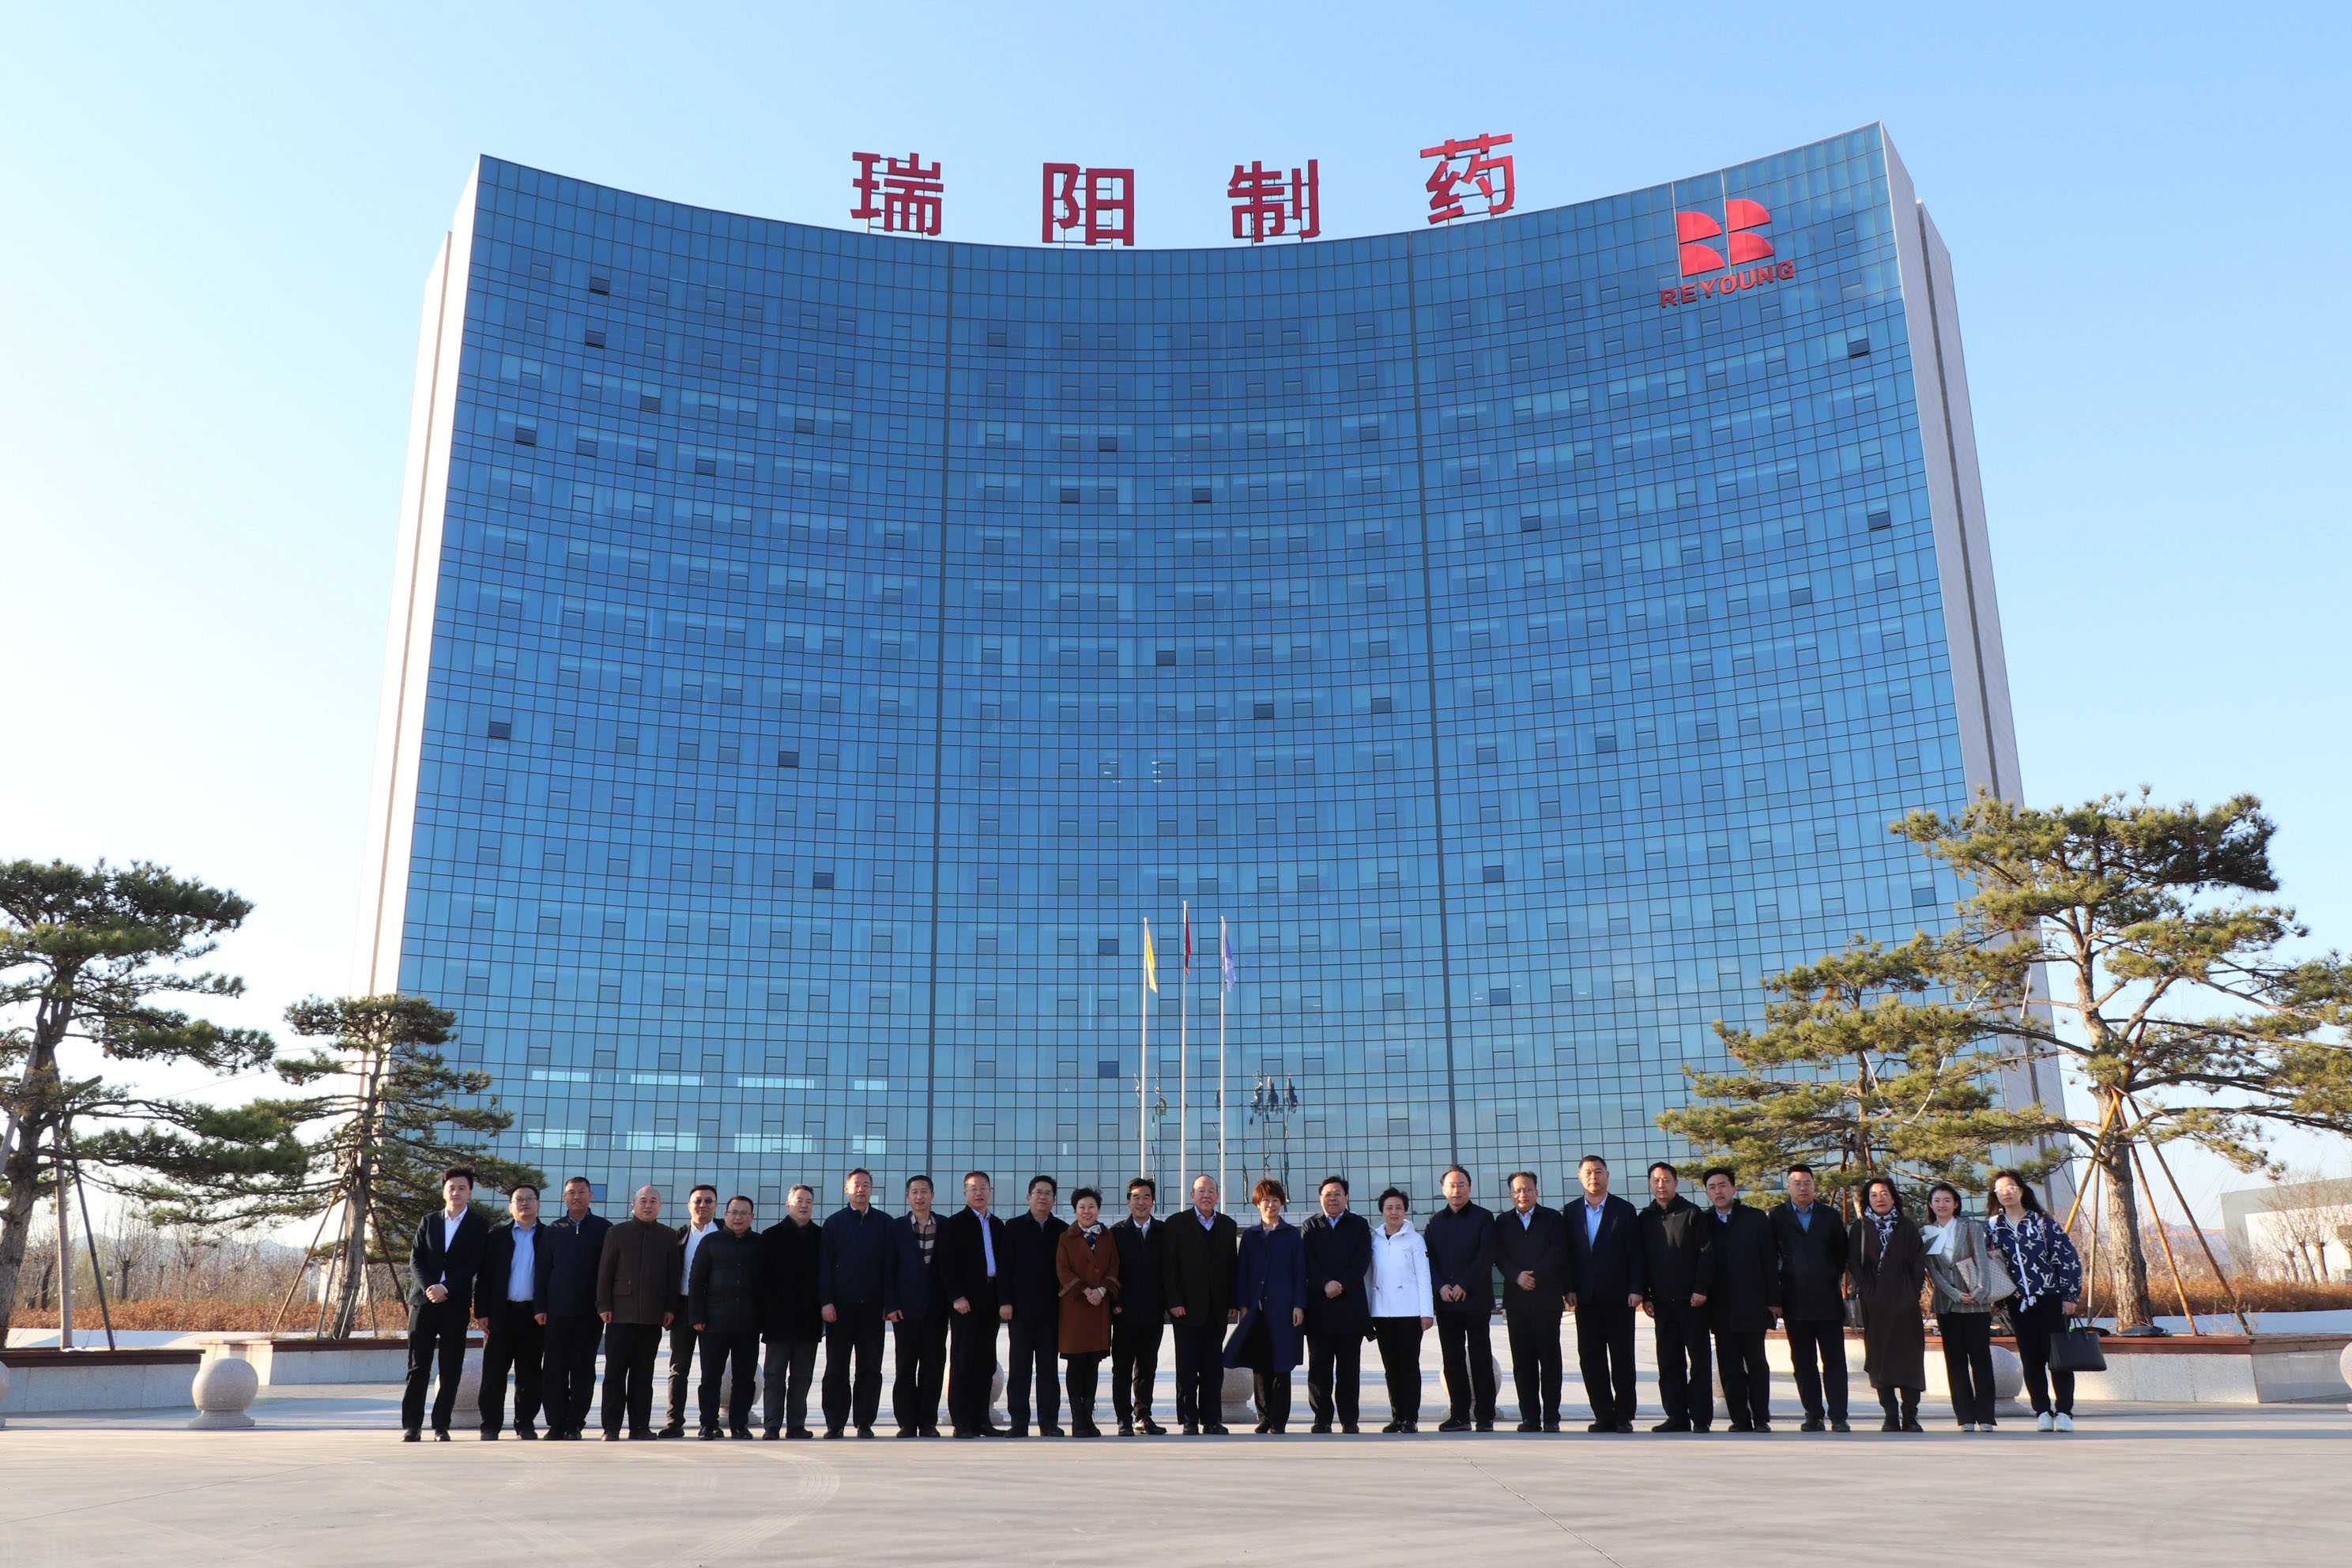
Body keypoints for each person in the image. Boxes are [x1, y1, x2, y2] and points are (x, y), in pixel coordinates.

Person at [1985, 1169, 2083, 1434]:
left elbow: (2067, 1257)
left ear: (2021, 1190)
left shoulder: (2041, 1221)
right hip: (2018, 1303)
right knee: (2031, 1358)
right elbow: (1992, 1265)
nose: (2006, 1193)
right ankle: (2041, 1410)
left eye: (2011, 1187)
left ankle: (2064, 1411)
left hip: (2050, 1298)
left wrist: (2070, 1295)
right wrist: (1995, 1300)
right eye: (2000, 1189)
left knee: (2057, 1357)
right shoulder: (1993, 1227)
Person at [402, 1166, 489, 1442]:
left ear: (470, 1193)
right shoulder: (429, 1221)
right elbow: (415, 1259)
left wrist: (447, 1287)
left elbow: (474, 1263)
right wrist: (431, 1287)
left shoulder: (478, 1225)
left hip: (455, 1304)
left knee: (450, 1367)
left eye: (462, 1188)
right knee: (418, 1366)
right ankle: (412, 1426)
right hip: (424, 1302)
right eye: (451, 1188)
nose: (456, 1192)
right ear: (444, 1192)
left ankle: (441, 1425)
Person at [1565, 1155, 1645, 1433]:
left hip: (1620, 1297)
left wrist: (1637, 1288)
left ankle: (1624, 1416)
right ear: (1580, 1178)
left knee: (1622, 1358)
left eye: (1598, 1172)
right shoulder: (1570, 1212)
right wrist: (1568, 1288)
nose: (1593, 1177)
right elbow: (1568, 1255)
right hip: (1585, 1298)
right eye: (1588, 1172)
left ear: (1607, 1176)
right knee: (1591, 1358)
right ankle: (1603, 1414)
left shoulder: (1624, 1210)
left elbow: (1635, 1252)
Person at [1770, 1163, 1852, 1431]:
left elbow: (1842, 1253)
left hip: (1827, 1300)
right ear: (1788, 1186)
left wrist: (1828, 1273)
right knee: (1803, 1363)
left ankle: (1839, 1416)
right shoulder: (1777, 1216)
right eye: (1797, 1183)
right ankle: (1813, 1415)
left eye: (1807, 1182)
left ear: (1814, 1186)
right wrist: (1775, 1297)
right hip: (1794, 1301)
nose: (1802, 1187)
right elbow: (1771, 1257)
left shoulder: (1830, 1215)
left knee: (1834, 1362)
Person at [597, 1185, 681, 1440]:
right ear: (633, 1205)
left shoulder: (668, 1236)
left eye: (653, 1201)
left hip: (652, 1316)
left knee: (643, 1375)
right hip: (619, 1314)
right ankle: (611, 1427)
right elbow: (605, 1272)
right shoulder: (617, 1232)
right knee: (614, 1373)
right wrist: (604, 1305)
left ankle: (640, 1427)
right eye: (643, 1200)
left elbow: (673, 1276)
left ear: (660, 1206)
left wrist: (670, 1308)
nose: (648, 1205)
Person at [1227, 1178, 1308, 1434]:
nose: (1270, 1205)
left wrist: (1299, 1305)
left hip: (1284, 1309)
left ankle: (1279, 1419)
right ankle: (1264, 1417)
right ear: (1257, 1204)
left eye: (1275, 1200)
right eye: (1265, 1201)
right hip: (1256, 1310)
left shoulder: (1292, 1234)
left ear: (1281, 1204)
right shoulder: (1250, 1236)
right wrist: (1243, 1306)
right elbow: (1242, 1272)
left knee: (1282, 1364)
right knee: (1260, 1365)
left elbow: (1300, 1272)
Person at [1698, 1167, 1777, 1433]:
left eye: (1723, 1185)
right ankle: (1739, 1419)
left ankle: (1761, 1417)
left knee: (1756, 1363)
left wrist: (1773, 1301)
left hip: (1753, 1303)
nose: (1718, 1191)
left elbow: (1769, 1261)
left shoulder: (1755, 1219)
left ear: (1733, 1188)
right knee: (1729, 1366)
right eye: (1712, 1187)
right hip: (1720, 1307)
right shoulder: (1704, 1222)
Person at [1638, 1162, 1713, 1433]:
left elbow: (1706, 1253)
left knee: (1699, 1361)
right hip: (1661, 1303)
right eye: (1656, 1180)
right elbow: (1640, 1260)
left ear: (1676, 1183)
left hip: (1692, 1301)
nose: (1661, 1185)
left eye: (1666, 1180)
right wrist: (1646, 1295)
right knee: (1669, 1362)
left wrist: (1701, 1288)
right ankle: (1676, 1416)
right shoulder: (1645, 1218)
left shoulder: (1691, 1213)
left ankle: (1701, 1418)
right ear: (1650, 1184)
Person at [817, 1167, 892, 1438]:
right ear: (847, 1190)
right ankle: (835, 1423)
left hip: (873, 1309)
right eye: (856, 1185)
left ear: (872, 1190)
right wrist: (826, 1301)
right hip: (840, 1309)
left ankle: (864, 1421)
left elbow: (890, 1267)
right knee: (836, 1368)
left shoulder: (885, 1223)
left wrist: (889, 1303)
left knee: (870, 1368)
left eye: (866, 1185)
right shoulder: (834, 1223)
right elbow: (824, 1266)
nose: (861, 1189)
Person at [1849, 1176, 1928, 1432]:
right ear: (1867, 1200)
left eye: (1884, 1193)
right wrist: (1867, 1289)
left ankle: (1910, 1415)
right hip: (1876, 1305)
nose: (1879, 1198)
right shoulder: (1860, 1228)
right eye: (1874, 1195)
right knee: (1880, 1360)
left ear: (1893, 1197)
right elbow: (1854, 1262)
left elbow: (1918, 1263)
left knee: (1909, 1360)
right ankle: (1890, 1414)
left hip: (1905, 1305)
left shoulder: (1907, 1227)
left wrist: (1911, 1292)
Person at [1423, 1165, 1498, 1432]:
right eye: (1451, 1186)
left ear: (1470, 1188)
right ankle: (1459, 1416)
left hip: (1476, 1300)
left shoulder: (1484, 1218)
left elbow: (1485, 1256)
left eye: (1461, 1185)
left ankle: (1485, 1416)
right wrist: (1441, 1286)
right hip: (1447, 1302)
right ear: (1444, 1190)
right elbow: (1429, 1259)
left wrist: (1464, 1284)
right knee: (1452, 1360)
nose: (1456, 1190)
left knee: (1480, 1358)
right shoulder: (1435, 1222)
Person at [1922, 1182, 2001, 1431]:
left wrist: (1980, 1291)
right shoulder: (1926, 1232)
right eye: (1937, 1201)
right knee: (1955, 1361)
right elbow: (1932, 1270)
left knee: (1981, 1359)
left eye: (1947, 1200)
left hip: (1977, 1303)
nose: (1942, 1205)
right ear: (1931, 1205)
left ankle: (1986, 1416)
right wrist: (1955, 1294)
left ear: (1956, 1204)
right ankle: (1965, 1416)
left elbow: (1982, 1260)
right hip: (1947, 1304)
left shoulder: (1971, 1227)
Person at [1493, 1170, 1568, 1432]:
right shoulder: (1502, 1222)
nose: (1522, 1194)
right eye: (1517, 1190)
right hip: (1517, 1302)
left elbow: (1559, 1251)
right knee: (1523, 1363)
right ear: (1510, 1194)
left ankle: (1552, 1417)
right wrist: (1517, 1276)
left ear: (1537, 1191)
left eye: (1527, 1189)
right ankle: (1530, 1418)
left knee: (1550, 1361)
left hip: (1547, 1299)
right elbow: (1498, 1256)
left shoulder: (1553, 1219)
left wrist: (1534, 1276)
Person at [472, 1181, 548, 1440]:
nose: (524, 1203)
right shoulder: (496, 1238)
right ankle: (490, 1425)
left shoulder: (549, 1236)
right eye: (519, 1200)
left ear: (538, 1204)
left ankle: (525, 1424)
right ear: (510, 1207)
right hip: (500, 1314)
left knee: (529, 1373)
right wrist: (481, 1312)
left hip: (534, 1315)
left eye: (529, 1199)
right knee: (494, 1373)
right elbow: (484, 1278)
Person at [1165, 1174, 1240, 1434]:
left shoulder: (1228, 1225)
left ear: (1218, 1196)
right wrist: (1174, 1301)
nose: (1206, 1195)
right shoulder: (1176, 1223)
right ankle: (1189, 1420)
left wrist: (1232, 1301)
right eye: (1201, 1191)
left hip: (1217, 1310)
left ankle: (1212, 1419)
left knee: (1212, 1369)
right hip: (1185, 1310)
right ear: (1192, 1195)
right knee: (1187, 1369)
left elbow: (1232, 1267)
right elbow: (1169, 1267)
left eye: (1211, 1191)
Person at [539, 1176, 611, 1441]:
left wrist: (605, 1305)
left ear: (590, 1195)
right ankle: (556, 1423)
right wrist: (540, 1307)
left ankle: (575, 1424)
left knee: (583, 1370)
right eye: (571, 1193)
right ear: (564, 1198)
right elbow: (542, 1272)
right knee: (554, 1370)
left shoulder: (604, 1229)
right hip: (556, 1312)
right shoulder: (553, 1230)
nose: (576, 1197)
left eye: (581, 1192)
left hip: (590, 1313)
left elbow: (609, 1272)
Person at [937, 1170, 1008, 1438]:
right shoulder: (955, 1224)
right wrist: (956, 1296)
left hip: (991, 1300)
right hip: (965, 1302)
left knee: (986, 1362)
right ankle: (962, 1422)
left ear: (990, 1192)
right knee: (963, 1361)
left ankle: (982, 1420)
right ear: (965, 1193)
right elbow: (947, 1264)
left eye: (983, 1187)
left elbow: (1005, 1265)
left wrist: (1004, 1300)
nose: (978, 1192)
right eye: (973, 1188)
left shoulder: (998, 1225)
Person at [688, 1194, 764, 1439]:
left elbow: (768, 1284)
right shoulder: (711, 1242)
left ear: (752, 1217)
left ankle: (739, 1425)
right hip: (713, 1322)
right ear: (726, 1215)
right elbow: (696, 1281)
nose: (738, 1217)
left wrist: (764, 1318)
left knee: (745, 1378)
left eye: (744, 1213)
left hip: (748, 1323)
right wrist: (697, 1316)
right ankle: (708, 1424)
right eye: (734, 1212)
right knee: (711, 1376)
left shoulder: (760, 1244)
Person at [1300, 1176, 1372, 1434]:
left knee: (1349, 1370)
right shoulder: (1310, 1226)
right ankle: (1322, 1419)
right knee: (1319, 1369)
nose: (1332, 1198)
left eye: (1337, 1194)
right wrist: (1325, 1284)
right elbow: (1306, 1261)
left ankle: (1349, 1419)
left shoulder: (1359, 1225)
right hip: (1319, 1309)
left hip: (1350, 1309)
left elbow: (1362, 1260)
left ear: (1346, 1197)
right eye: (1328, 1194)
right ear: (1320, 1198)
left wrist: (1340, 1284)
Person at [1001, 1174, 1069, 1437]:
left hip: (1051, 1312)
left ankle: (1048, 1422)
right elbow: (1005, 1268)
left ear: (1054, 1200)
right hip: (1020, 1311)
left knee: (1048, 1371)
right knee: (1019, 1370)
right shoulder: (1013, 1227)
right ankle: (1019, 1423)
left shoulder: (1062, 1230)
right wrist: (1005, 1301)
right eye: (1038, 1192)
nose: (1043, 1197)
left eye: (1048, 1193)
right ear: (1028, 1198)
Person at [1365, 1187, 1436, 1432]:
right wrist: (1368, 1311)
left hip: (1409, 1312)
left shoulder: (1415, 1240)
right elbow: (1369, 1276)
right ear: (1382, 1211)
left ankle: (1410, 1418)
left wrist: (1427, 1312)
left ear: (1405, 1211)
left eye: (1398, 1207)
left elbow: (1424, 1277)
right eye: (1389, 1208)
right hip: (1382, 1312)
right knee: (1391, 1368)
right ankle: (1397, 1416)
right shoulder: (1374, 1239)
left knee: (1409, 1366)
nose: (1394, 1212)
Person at [885, 1174, 951, 1438]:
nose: (920, 1196)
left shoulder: (945, 1225)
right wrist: (891, 1304)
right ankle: (907, 1422)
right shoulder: (896, 1227)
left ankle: (927, 1422)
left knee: (933, 1368)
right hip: (905, 1310)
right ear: (907, 1197)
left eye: (924, 1191)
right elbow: (888, 1268)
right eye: (915, 1192)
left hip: (937, 1309)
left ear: (932, 1196)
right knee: (905, 1367)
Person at [757, 1183, 824, 1439]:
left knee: (802, 1376)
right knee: (774, 1376)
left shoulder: (820, 1236)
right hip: (778, 1319)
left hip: (809, 1318)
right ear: (788, 1205)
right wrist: (770, 1308)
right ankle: (772, 1425)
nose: (804, 1205)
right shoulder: (771, 1236)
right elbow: (762, 1278)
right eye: (799, 1201)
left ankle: (796, 1425)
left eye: (808, 1201)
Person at [1055, 1186, 1121, 1438]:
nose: (1086, 1211)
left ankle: (1089, 1417)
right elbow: (1062, 1270)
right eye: (1082, 1207)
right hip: (1075, 1308)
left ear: (1098, 1210)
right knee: (1076, 1363)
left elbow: (1114, 1266)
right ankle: (1077, 1420)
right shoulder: (1066, 1238)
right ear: (1075, 1210)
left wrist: (1102, 1290)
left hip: (1098, 1307)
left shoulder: (1108, 1237)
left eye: (1091, 1207)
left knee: (1093, 1364)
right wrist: (1085, 1291)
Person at [1108, 1177, 1170, 1436]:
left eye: (1146, 1197)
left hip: (1153, 1312)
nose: (1141, 1202)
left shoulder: (1163, 1232)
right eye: (1136, 1197)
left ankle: (1143, 1415)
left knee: (1147, 1367)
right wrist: (1116, 1303)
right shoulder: (1116, 1233)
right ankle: (1123, 1418)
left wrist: (1168, 1304)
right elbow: (1110, 1271)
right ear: (1128, 1201)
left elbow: (1170, 1271)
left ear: (1153, 1201)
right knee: (1122, 1368)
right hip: (1125, 1312)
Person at [660, 1183, 721, 1438]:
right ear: (689, 1206)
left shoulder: (725, 1234)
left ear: (716, 1206)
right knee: (678, 1368)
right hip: (683, 1308)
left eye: (708, 1201)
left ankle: (709, 1423)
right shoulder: (676, 1237)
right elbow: (667, 1277)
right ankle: (674, 1422)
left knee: (712, 1369)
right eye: (698, 1201)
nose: (703, 1205)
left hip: (715, 1309)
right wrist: (668, 1309)